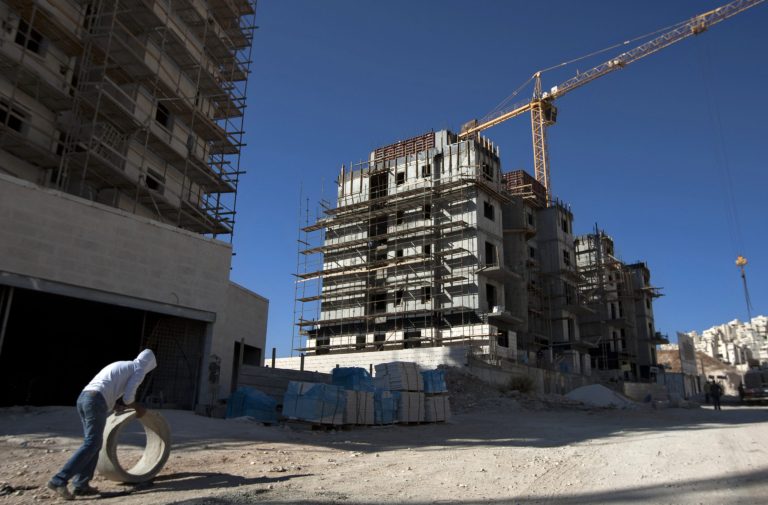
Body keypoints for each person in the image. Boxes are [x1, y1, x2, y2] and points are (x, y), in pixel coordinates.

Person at [47, 349, 157, 500]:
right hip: (95, 401)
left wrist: (113, 406)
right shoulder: (139, 369)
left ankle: (81, 485)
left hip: (84, 398)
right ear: (149, 364)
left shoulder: (121, 364)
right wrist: (137, 407)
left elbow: (106, 386)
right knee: (92, 443)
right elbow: (128, 398)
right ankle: (59, 480)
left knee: (93, 443)